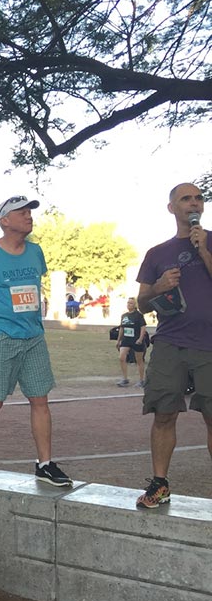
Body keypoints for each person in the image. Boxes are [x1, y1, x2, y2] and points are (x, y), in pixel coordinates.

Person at [0, 195, 72, 486]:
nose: (28, 216)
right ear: (4, 221)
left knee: (40, 400)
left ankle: (45, 464)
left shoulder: (35, 252)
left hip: (33, 337)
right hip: (0, 338)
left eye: (29, 212)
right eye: (21, 212)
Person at [134, 182, 212, 509]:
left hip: (209, 345)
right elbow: (141, 304)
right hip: (169, 343)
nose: (193, 203)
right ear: (172, 208)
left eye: (198, 198)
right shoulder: (156, 254)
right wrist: (158, 288)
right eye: (185, 198)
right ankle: (160, 484)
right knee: (164, 414)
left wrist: (204, 251)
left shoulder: (210, 241)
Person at [116, 297, 149, 388]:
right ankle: (125, 379)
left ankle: (141, 380)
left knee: (139, 360)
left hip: (136, 339)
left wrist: (140, 339)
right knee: (122, 357)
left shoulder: (138, 315)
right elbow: (122, 328)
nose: (128, 305)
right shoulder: (124, 315)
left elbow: (143, 327)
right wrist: (119, 340)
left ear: (135, 305)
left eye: (131, 303)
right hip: (126, 339)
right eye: (128, 303)